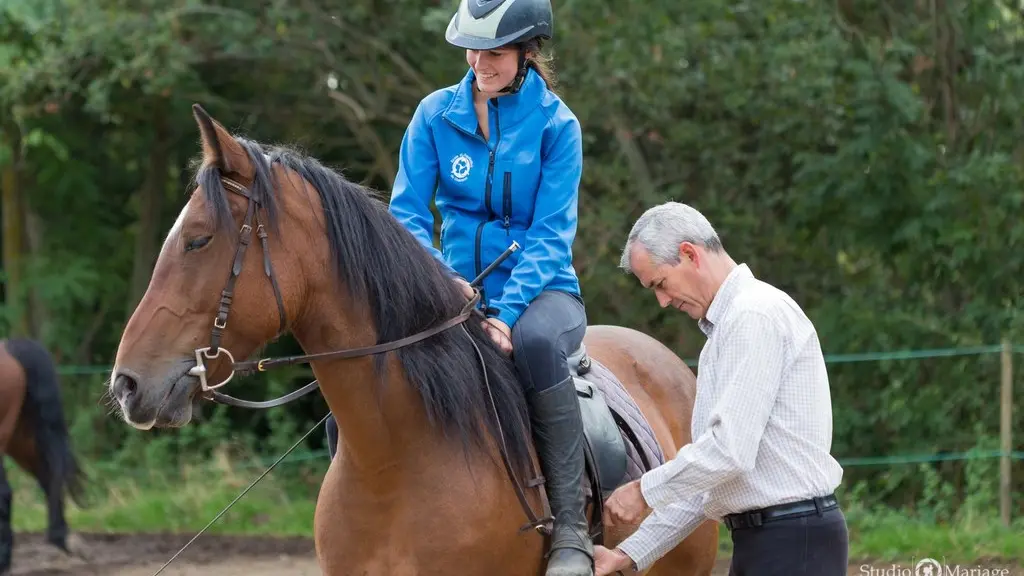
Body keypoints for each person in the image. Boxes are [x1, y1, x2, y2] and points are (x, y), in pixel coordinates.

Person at [324, 1, 594, 574]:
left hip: (542, 292)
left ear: (527, 54)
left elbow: (551, 235)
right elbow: (406, 215)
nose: (478, 62)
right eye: (471, 49)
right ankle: (363, 516)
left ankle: (570, 528)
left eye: (493, 52)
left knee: (542, 349)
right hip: (448, 290)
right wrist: (441, 281)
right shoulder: (433, 114)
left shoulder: (556, 125)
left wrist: (507, 313)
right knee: (363, 363)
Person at [593, 202, 848, 575]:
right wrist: (629, 553)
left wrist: (643, 491)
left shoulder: (753, 317)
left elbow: (729, 452)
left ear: (689, 254)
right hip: (769, 541)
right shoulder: (728, 328)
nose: (662, 301)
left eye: (660, 284)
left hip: (789, 543)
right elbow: (710, 480)